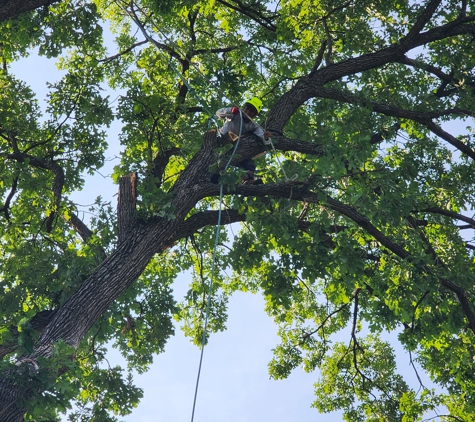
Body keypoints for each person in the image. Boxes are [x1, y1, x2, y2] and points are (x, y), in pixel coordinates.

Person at [214, 97, 270, 184]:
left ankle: (248, 180)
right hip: (221, 142)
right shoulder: (235, 114)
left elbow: (263, 138)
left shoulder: (253, 125)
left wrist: (266, 137)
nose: (247, 112)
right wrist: (230, 110)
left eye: (251, 111)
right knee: (217, 162)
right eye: (247, 108)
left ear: (255, 115)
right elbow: (218, 113)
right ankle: (214, 177)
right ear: (244, 107)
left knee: (248, 163)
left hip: (234, 148)